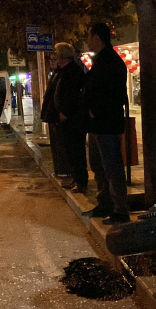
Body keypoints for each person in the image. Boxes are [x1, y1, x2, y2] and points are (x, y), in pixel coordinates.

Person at [81, 23, 130, 224]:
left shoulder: (111, 62)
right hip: (97, 124)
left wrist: (95, 110)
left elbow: (113, 94)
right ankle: (105, 203)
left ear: (97, 38)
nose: (87, 41)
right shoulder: (101, 60)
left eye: (89, 36)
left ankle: (120, 209)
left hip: (106, 123)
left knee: (111, 167)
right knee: (98, 166)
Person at [53, 43, 89, 194]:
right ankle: (76, 178)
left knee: (76, 150)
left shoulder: (72, 72)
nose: (54, 57)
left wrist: (65, 113)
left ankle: (81, 181)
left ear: (62, 56)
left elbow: (73, 96)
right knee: (71, 151)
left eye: (56, 54)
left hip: (74, 120)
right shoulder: (64, 71)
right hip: (68, 118)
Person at [40, 55, 73, 177]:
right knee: (56, 144)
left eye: (55, 59)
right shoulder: (55, 74)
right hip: (54, 115)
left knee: (62, 145)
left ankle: (65, 171)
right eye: (51, 60)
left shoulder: (65, 74)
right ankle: (59, 170)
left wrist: (64, 112)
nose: (52, 62)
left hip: (60, 115)